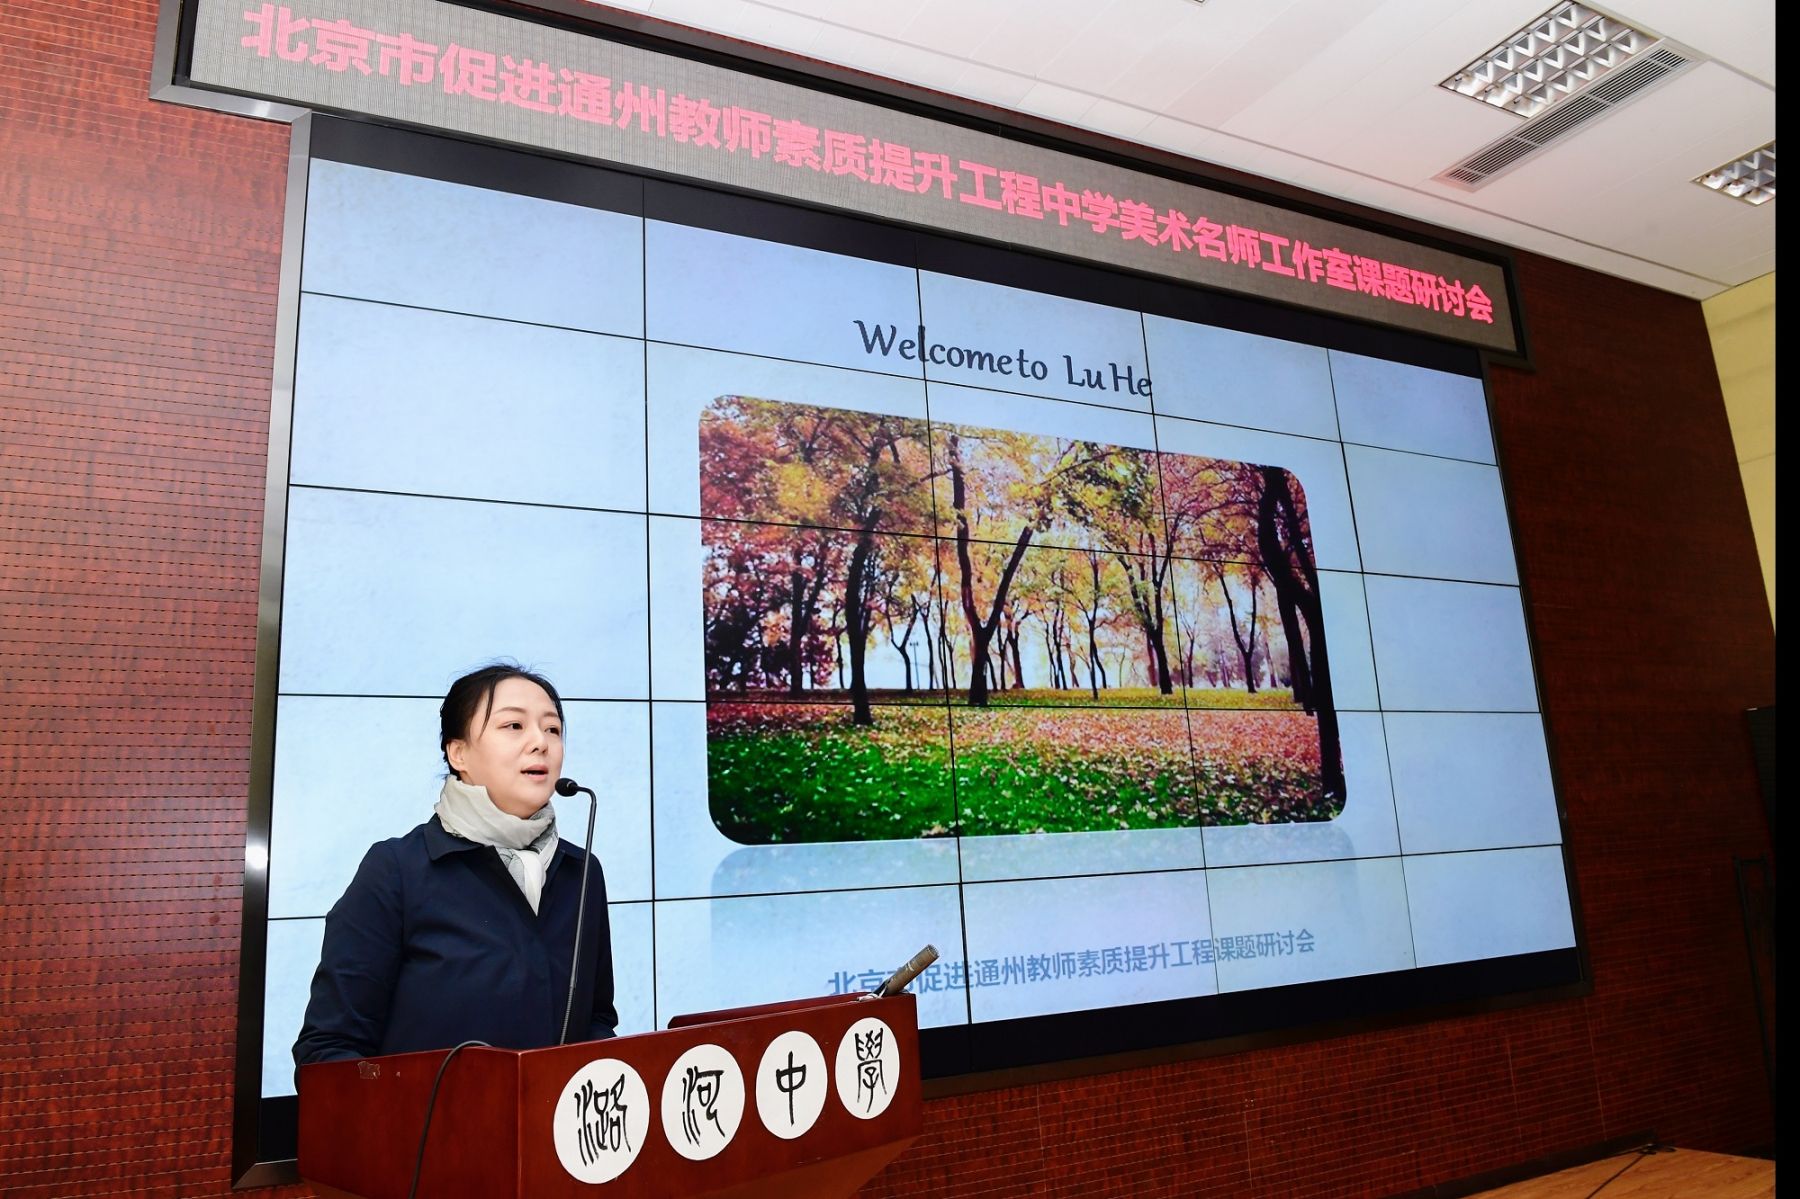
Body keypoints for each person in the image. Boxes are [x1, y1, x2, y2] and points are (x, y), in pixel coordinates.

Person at [293, 663, 616, 1070]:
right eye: (514, 726)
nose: (541, 742)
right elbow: (328, 1049)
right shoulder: (397, 871)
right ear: (458, 752)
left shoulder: (581, 871)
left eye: (552, 729)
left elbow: (596, 1019)